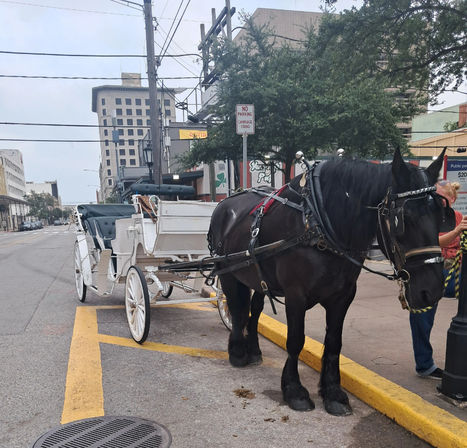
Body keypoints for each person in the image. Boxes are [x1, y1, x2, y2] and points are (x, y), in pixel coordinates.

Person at [409, 180, 467, 379]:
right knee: (421, 316)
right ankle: (425, 364)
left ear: (451, 198)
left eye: (440, 197)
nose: (435, 201)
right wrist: (458, 231)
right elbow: (435, 242)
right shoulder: (428, 218)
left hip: (454, 271)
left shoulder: (458, 217)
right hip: (430, 270)